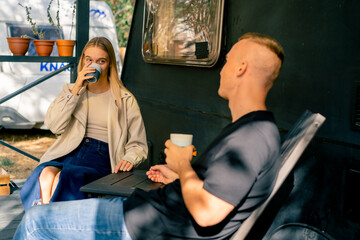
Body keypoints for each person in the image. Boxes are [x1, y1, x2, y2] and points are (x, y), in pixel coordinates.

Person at [14, 32, 284, 240]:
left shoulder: (252, 137)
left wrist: (183, 166)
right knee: (44, 187)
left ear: (241, 68)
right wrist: (176, 175)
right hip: (146, 209)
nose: (221, 70)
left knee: (34, 222)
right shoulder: (250, 131)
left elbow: (207, 213)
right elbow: (215, 193)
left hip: (145, 222)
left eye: (225, 62)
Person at [19, 37, 148, 211]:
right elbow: (54, 126)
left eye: (101, 61)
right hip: (71, 150)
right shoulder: (72, 91)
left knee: (64, 178)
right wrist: (75, 90)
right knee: (45, 174)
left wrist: (129, 158)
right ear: (83, 61)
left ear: (109, 64)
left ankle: (47, 221)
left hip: (101, 156)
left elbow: (138, 143)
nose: (94, 65)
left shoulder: (125, 99)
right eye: (89, 60)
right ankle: (44, 219)